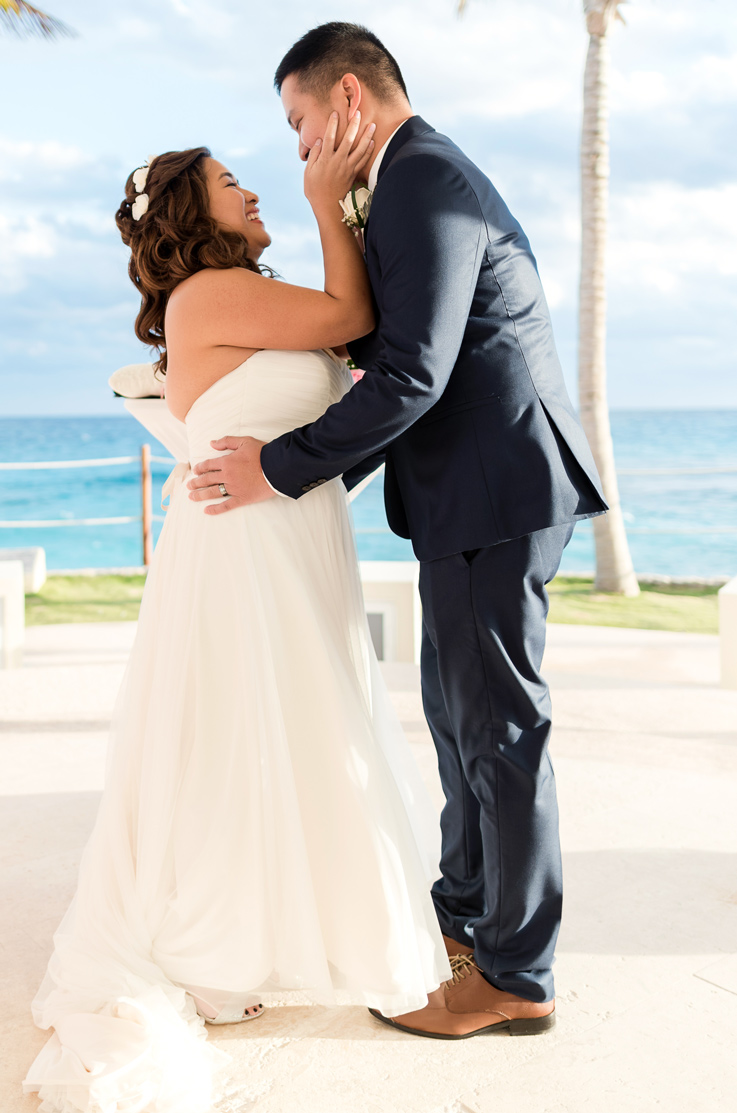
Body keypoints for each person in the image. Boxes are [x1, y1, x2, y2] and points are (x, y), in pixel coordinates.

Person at [187, 22, 609, 1040]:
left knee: (499, 731)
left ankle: (515, 973)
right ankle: (462, 918)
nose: (295, 151)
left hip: (496, 487)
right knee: (463, 722)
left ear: (346, 100)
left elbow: (411, 373)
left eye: (297, 123)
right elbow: (401, 364)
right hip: (475, 490)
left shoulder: (419, 178)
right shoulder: (412, 180)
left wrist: (281, 472)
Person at [23, 124, 452, 1113]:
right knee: (243, 737)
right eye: (230, 184)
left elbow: (346, 348)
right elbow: (352, 311)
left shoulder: (236, 298)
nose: (252, 191)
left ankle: (252, 933)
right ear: (189, 212)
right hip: (246, 547)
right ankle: (210, 948)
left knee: (275, 735)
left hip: (281, 535)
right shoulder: (211, 294)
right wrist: (326, 194)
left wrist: (329, 211)